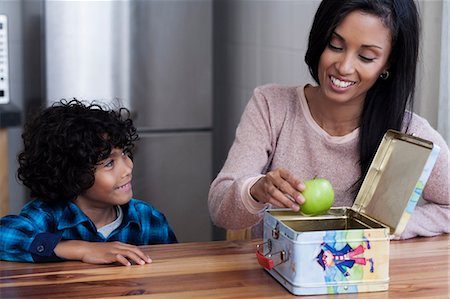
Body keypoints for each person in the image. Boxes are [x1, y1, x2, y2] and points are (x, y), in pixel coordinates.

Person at [208, 0, 449, 239]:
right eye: (336, 45)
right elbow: (220, 210)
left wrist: (393, 226)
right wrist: (256, 190)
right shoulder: (271, 106)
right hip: (274, 272)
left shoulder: (409, 134)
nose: (344, 67)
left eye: (366, 57)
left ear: (388, 63)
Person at [0, 99, 177, 266]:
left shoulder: (148, 219)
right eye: (109, 163)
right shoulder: (49, 216)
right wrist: (81, 249)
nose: (127, 168)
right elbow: (5, 235)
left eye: (124, 154)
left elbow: (175, 267)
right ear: (72, 174)